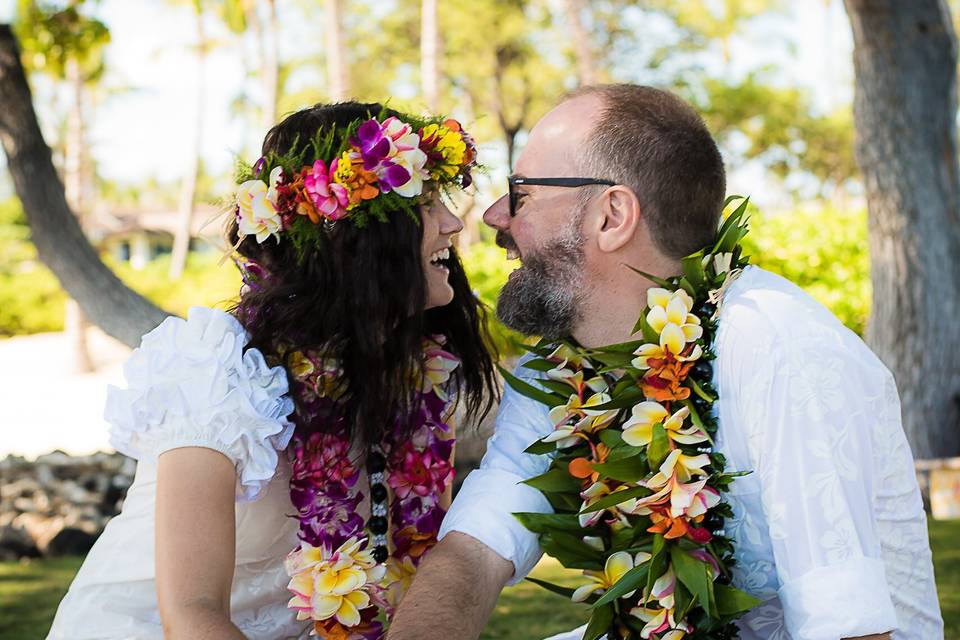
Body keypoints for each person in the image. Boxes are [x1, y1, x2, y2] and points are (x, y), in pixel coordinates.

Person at [387, 84, 944, 640]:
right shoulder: (564, 367)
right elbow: (475, 549)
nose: (492, 215)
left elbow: (849, 629)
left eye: (522, 193)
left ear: (612, 216)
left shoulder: (776, 346)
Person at [47, 101, 498, 639]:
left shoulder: (411, 372)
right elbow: (191, 615)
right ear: (352, 240)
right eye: (425, 204)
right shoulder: (223, 369)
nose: (454, 223)